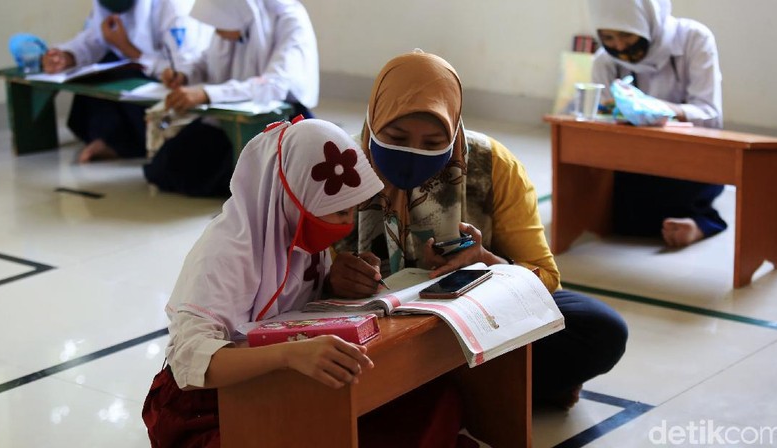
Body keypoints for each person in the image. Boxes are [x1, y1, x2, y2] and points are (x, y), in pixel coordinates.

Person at [327, 51, 628, 410]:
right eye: (396, 136)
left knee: (599, 328)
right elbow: (287, 288)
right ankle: (473, 390)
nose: (413, 153)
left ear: (454, 130)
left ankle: (437, 390)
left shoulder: (491, 165)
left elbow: (546, 278)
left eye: (433, 143)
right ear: (374, 120)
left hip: (480, 322)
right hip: (375, 336)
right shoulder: (338, 169)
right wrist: (332, 279)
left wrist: (486, 263)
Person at [141, 118, 384, 447]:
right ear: (293, 197)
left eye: (351, 211)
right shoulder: (226, 252)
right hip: (199, 407)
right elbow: (189, 361)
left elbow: (292, 301)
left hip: (270, 385)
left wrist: (334, 283)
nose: (346, 224)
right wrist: (289, 355)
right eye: (339, 213)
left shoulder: (294, 229)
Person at [142, 0, 319, 198]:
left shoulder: (288, 18)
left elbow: (274, 85)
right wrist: (184, 75)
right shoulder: (235, 19)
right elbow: (207, 61)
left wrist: (208, 94)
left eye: (219, 24)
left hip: (279, 117)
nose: (217, 32)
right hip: (228, 115)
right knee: (164, 167)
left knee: (253, 176)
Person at [588, 0, 727, 247]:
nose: (619, 46)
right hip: (634, 156)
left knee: (681, 191)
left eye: (627, 35)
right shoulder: (604, 61)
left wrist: (660, 110)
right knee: (609, 203)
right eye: (608, 37)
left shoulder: (694, 39)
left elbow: (711, 115)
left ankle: (702, 224)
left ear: (647, 23)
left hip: (688, 153)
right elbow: (603, 122)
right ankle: (686, 223)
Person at [42, 0, 211, 163]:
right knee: (99, 71)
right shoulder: (107, 5)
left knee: (123, 73)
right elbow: (95, 36)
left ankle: (123, 143)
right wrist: (67, 56)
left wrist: (128, 49)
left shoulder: (174, 7)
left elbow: (187, 71)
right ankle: (108, 139)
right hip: (139, 72)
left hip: (169, 86)